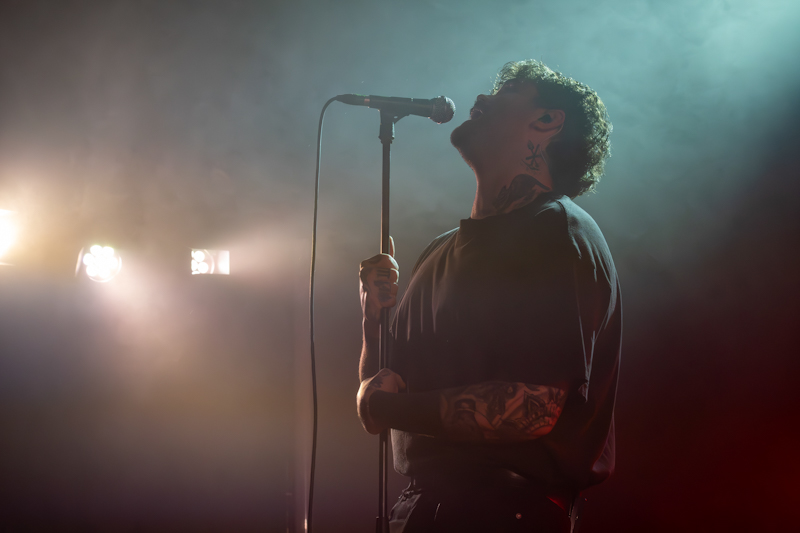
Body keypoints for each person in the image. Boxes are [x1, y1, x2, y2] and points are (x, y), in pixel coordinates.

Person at [356, 60, 621, 533]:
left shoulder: (556, 232)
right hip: (419, 508)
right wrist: (372, 323)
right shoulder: (438, 251)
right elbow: (383, 389)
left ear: (547, 120)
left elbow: (534, 409)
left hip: (504, 512)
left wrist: (383, 408)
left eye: (508, 90)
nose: (481, 98)